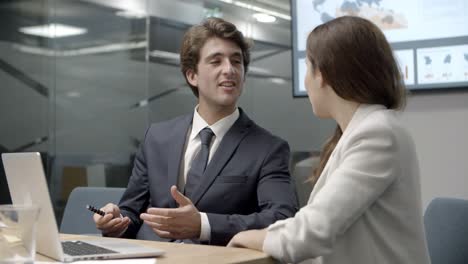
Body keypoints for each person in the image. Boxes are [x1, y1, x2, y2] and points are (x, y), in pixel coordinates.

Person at [228, 16, 431, 263]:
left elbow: (312, 232)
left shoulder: (378, 133)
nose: (305, 80)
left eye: (307, 67)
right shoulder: (362, 132)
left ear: (322, 73)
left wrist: (244, 237)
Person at [92, 17, 298, 246]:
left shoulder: (268, 148)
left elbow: (282, 219)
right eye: (216, 61)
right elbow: (132, 212)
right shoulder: (157, 138)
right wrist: (116, 222)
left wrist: (203, 225)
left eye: (236, 61)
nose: (229, 69)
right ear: (192, 75)